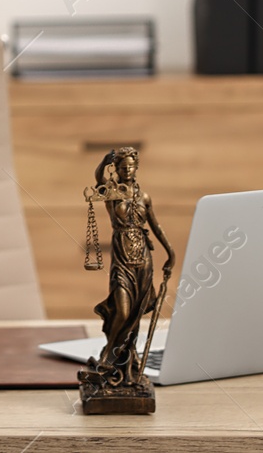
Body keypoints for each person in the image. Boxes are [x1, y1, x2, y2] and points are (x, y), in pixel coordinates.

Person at [83, 146, 173, 387]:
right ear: (118, 170)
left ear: (136, 168)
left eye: (130, 167)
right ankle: (108, 358)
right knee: (122, 312)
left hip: (143, 259)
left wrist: (170, 253)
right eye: (122, 168)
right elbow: (99, 178)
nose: (127, 172)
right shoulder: (112, 194)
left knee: (134, 316)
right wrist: (104, 162)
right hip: (121, 259)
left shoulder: (144, 198)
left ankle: (120, 365)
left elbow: (156, 227)